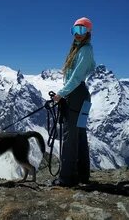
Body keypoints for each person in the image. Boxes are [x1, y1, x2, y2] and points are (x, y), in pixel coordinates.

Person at [52, 17, 96, 187]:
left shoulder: (84, 51)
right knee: (79, 135)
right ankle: (82, 175)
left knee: (70, 136)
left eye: (81, 30)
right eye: (75, 31)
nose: (78, 34)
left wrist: (61, 94)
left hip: (76, 94)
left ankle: (66, 178)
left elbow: (76, 77)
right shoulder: (81, 49)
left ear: (88, 32)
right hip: (81, 95)